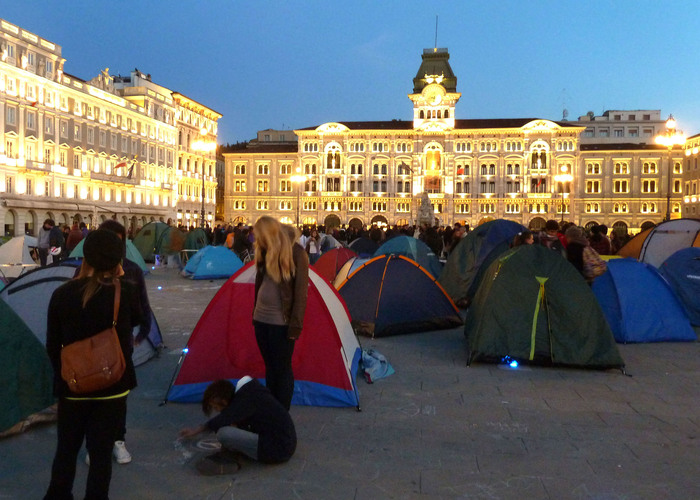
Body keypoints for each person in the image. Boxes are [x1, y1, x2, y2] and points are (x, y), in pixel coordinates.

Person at [44, 229, 142, 500]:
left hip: (73, 387)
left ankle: (58, 495)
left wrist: (66, 376)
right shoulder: (126, 292)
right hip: (113, 385)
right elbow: (136, 322)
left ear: (84, 256)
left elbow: (53, 345)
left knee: (66, 450)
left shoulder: (62, 294)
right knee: (100, 456)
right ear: (117, 259)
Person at [81, 219, 156, 466]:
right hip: (91, 345)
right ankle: (95, 442)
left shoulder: (132, 270)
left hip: (121, 343)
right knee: (94, 394)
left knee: (118, 395)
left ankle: (117, 439)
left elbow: (142, 305)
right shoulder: (83, 273)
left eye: (121, 243)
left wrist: (142, 333)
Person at [178, 377, 297, 473]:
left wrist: (196, 431)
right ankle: (235, 451)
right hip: (285, 444)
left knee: (224, 433)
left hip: (278, 450)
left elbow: (222, 419)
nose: (218, 410)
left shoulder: (244, 401)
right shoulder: (249, 394)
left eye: (216, 407)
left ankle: (231, 461)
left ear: (224, 401)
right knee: (234, 426)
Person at [253, 216, 309, 410]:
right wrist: (254, 313)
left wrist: (295, 325)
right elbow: (259, 284)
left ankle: (281, 412)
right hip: (261, 319)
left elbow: (301, 293)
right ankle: (272, 408)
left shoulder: (297, 253)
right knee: (270, 367)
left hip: (281, 322)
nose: (256, 239)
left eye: (259, 235)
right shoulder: (264, 250)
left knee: (282, 369)